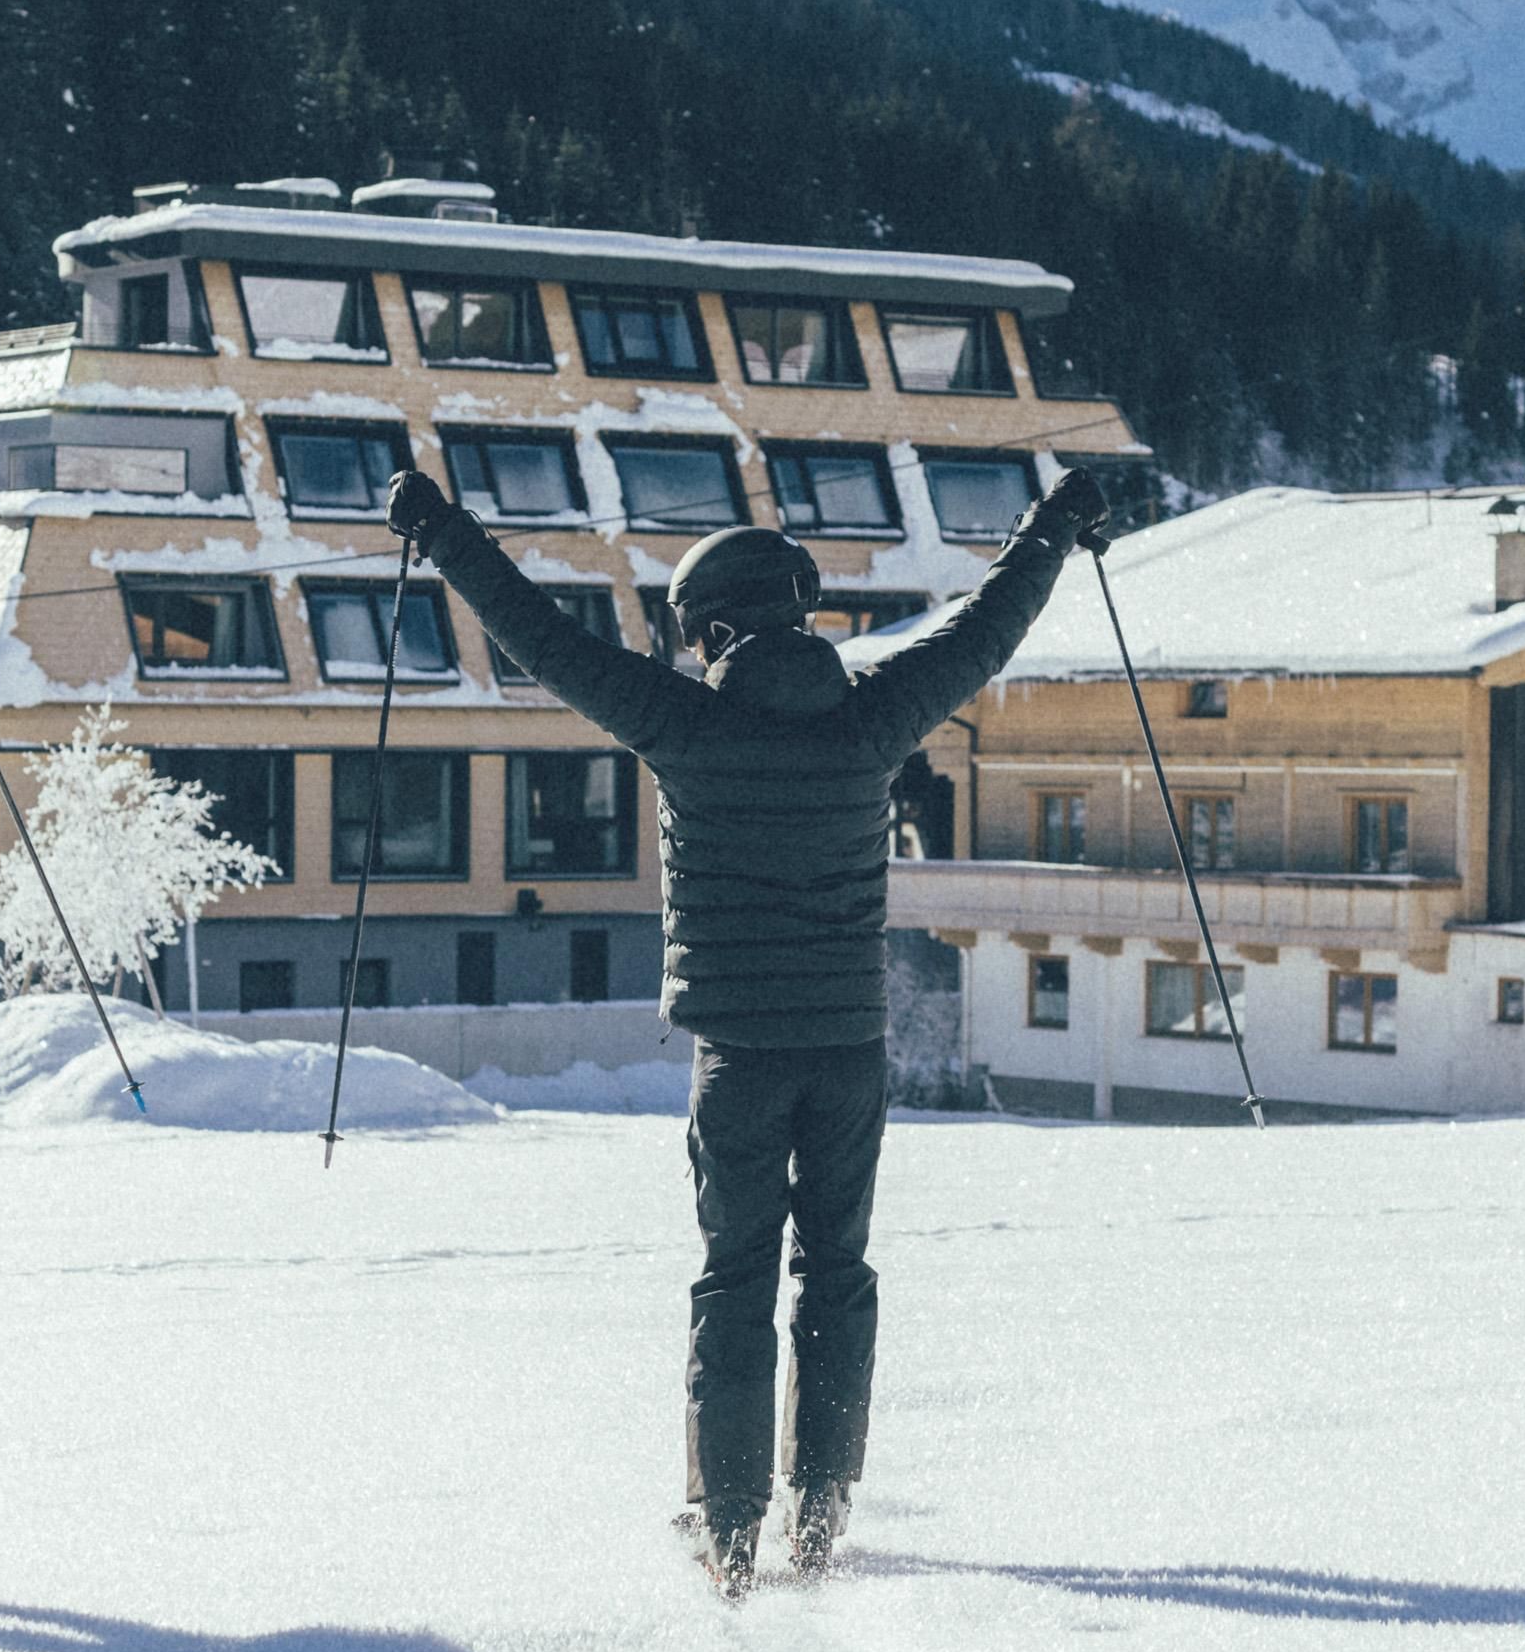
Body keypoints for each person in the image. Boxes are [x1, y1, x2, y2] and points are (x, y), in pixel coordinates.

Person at [381, 461, 1106, 1595]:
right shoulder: (877, 715)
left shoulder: (685, 724)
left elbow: (536, 637)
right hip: (849, 1048)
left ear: (714, 628)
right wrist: (1053, 526)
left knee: (733, 1278)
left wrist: (441, 532)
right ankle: (820, 1503)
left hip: (740, 1055)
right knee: (838, 1268)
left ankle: (727, 1523)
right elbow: (987, 625)